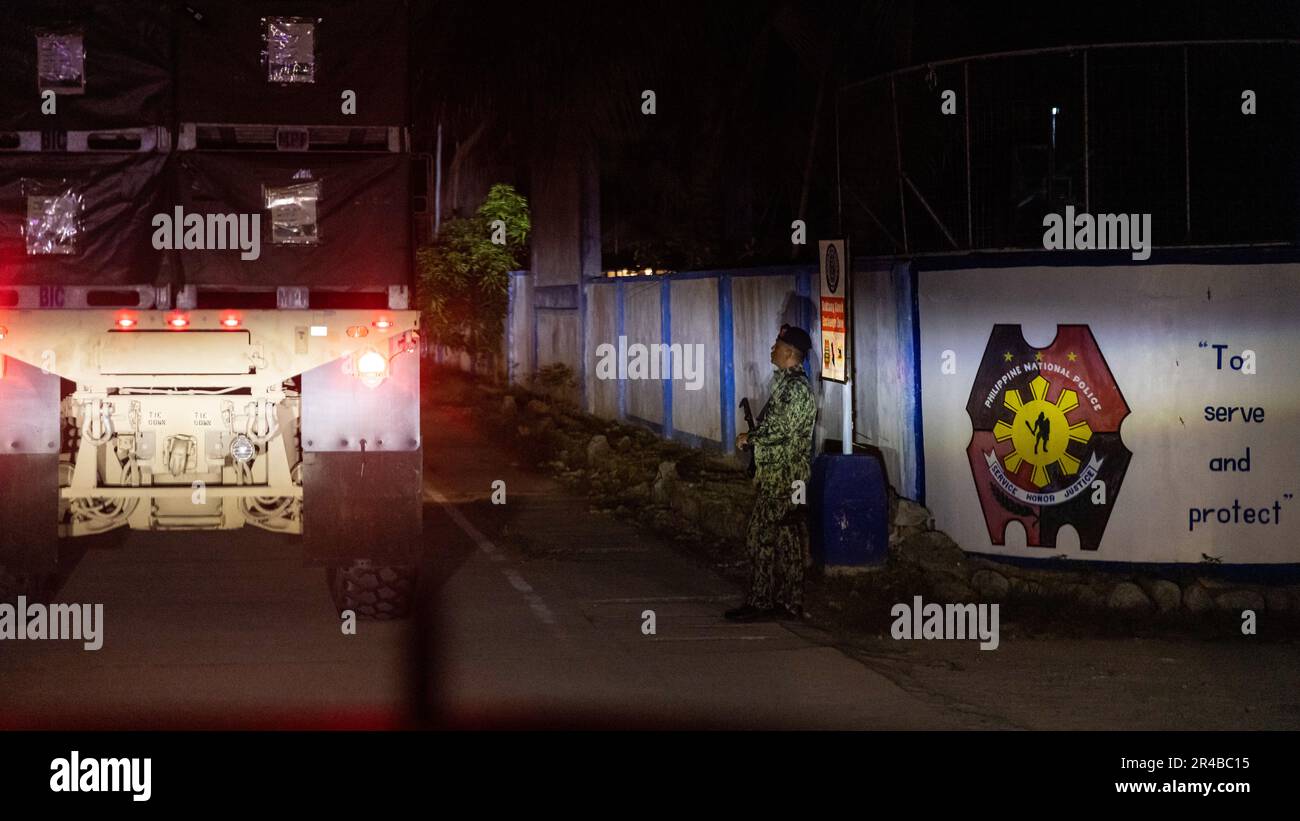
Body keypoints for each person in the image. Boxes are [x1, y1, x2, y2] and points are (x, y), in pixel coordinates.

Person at [725, 323, 817, 622]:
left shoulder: (795, 388)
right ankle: (790, 602)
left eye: (777, 345)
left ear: (790, 352)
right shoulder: (788, 384)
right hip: (785, 474)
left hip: (783, 477)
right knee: (787, 537)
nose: (771, 349)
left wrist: (749, 439)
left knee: (759, 536)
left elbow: (782, 428)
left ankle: (761, 601)